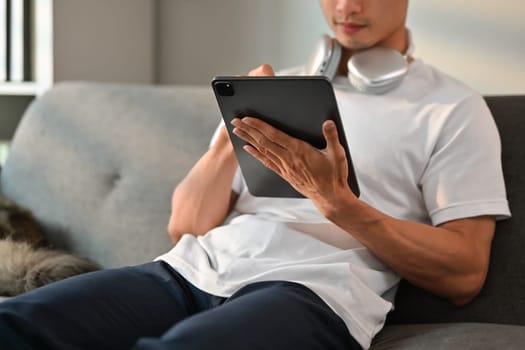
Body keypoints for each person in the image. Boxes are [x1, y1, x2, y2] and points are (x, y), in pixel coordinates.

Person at [0, 1, 511, 349]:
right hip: (190, 270)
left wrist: (338, 204)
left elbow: (464, 273)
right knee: (17, 323)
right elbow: (185, 227)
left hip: (313, 292)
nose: (345, 8)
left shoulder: (452, 107)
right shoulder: (282, 89)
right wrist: (230, 138)